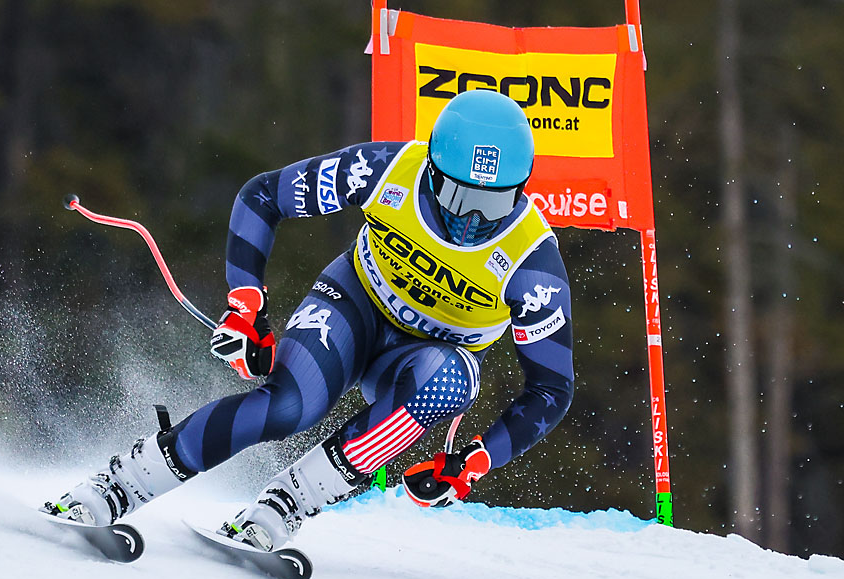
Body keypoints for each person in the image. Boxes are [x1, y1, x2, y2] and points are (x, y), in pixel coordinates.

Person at [48, 89, 574, 551]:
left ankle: (287, 504)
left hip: (427, 357)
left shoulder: (533, 266)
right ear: (432, 171)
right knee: (288, 407)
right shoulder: (386, 170)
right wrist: (246, 305)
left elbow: (551, 389)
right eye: (458, 196)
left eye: (495, 202)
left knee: (449, 384)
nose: (471, 220)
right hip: (355, 306)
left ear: (523, 189)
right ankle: (120, 484)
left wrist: (476, 460)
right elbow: (261, 196)